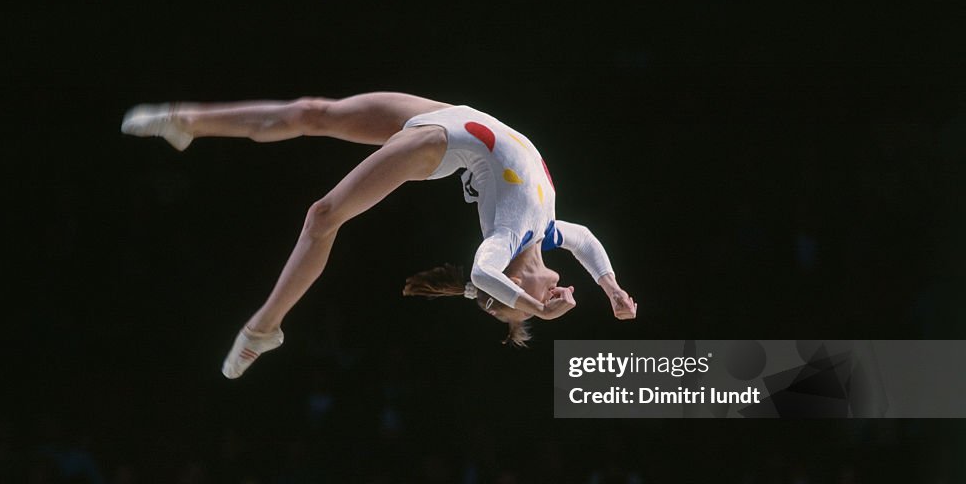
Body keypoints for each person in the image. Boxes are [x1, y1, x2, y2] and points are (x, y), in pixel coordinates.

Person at [121, 92, 637, 378]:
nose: (546, 299)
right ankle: (188, 120)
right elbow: (587, 239)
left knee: (323, 216)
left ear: (513, 286)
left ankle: (264, 329)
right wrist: (610, 287)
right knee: (312, 112)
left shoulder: (500, 243)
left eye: (525, 304)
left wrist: (533, 303)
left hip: (442, 143)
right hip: (455, 118)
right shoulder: (546, 232)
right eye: (537, 302)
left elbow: (482, 274)